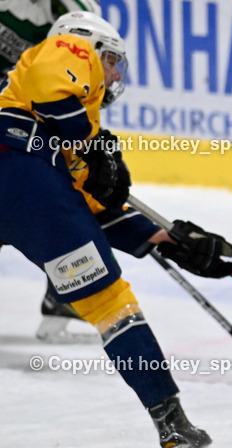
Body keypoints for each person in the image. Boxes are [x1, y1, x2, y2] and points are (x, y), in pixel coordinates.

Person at [0, 12, 232, 448]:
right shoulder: (66, 52)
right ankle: (171, 420)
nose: (112, 74)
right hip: (18, 173)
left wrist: (163, 239)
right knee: (111, 305)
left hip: (30, 188)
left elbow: (84, 212)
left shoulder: (67, 135)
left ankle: (173, 423)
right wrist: (96, 145)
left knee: (105, 296)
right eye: (112, 61)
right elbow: (54, 87)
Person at [0, 0, 102, 341]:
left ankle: (63, 294)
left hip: (23, 113)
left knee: (65, 195)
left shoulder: (75, 9)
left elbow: (82, 74)